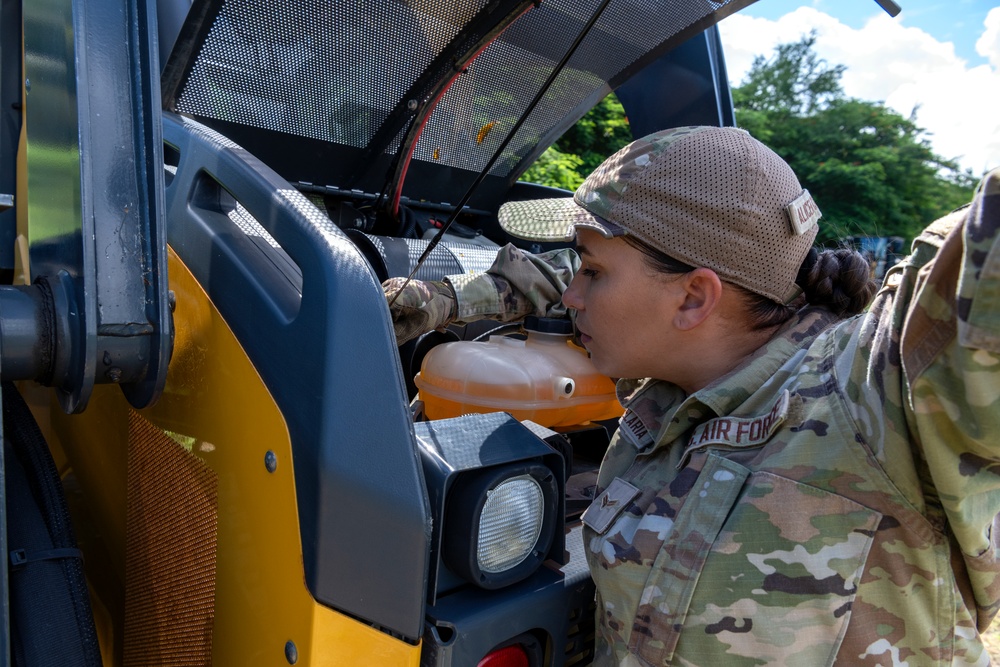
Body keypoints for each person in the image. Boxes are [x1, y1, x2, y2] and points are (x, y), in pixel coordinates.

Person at [383, 125, 1000, 665]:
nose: (574, 298)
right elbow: (592, 276)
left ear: (695, 299)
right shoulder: (678, 378)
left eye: (593, 272)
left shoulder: (876, 398)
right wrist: (445, 300)